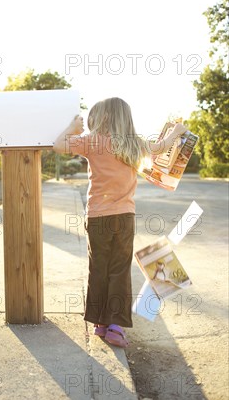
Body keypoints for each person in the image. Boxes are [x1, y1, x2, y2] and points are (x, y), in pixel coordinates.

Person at [53, 97, 187, 348]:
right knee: (119, 270)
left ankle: (99, 323)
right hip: (124, 217)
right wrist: (177, 132)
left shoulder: (92, 141)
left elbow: (58, 146)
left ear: (102, 118)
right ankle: (115, 326)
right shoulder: (134, 143)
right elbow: (161, 147)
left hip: (97, 217)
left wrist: (72, 128)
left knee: (98, 268)